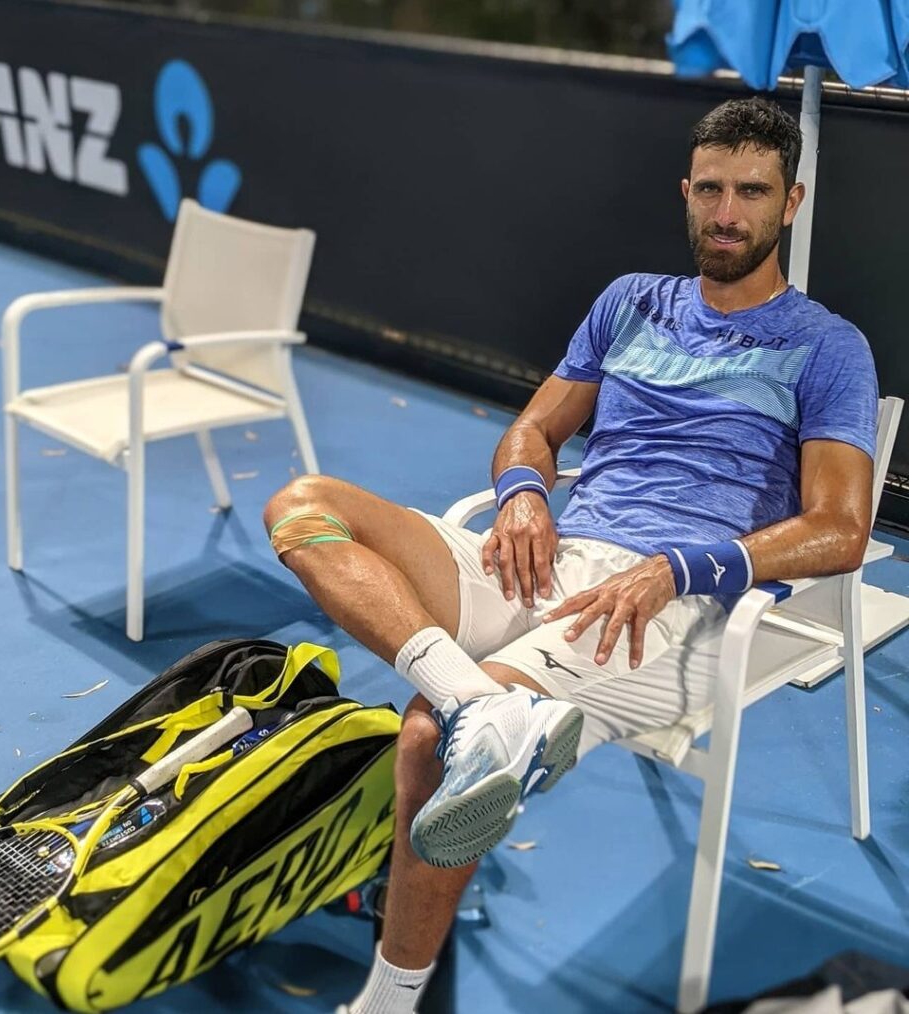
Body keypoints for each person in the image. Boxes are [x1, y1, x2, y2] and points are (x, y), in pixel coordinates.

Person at [262, 96, 878, 1013]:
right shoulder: (631, 301)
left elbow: (842, 529)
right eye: (710, 188)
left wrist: (679, 566)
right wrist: (520, 496)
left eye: (752, 192)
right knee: (304, 507)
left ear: (790, 202)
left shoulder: (828, 347)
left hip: (671, 601)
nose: (726, 213)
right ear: (686, 191)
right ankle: (485, 707)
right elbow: (536, 429)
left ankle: (390, 999)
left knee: (429, 740)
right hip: (551, 559)